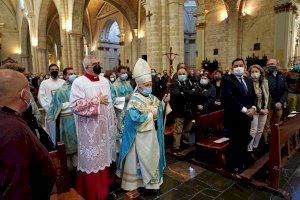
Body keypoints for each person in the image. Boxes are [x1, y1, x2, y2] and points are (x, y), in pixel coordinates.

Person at [0, 69, 56, 200]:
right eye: (29, 91)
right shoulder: (13, 129)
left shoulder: (9, 120)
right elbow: (16, 184)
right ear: (24, 94)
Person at [118, 58, 168, 195]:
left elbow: (159, 108)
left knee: (153, 157)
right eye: (146, 85)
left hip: (152, 136)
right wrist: (151, 116)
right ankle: (140, 184)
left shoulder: (151, 97)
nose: (149, 87)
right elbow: (134, 119)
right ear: (139, 86)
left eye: (150, 84)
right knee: (139, 162)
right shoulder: (134, 100)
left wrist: (164, 102)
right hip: (140, 138)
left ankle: (152, 184)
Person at [70, 56, 117, 200]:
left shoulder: (105, 81)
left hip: (105, 128)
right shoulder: (79, 82)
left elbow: (109, 103)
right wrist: (96, 101)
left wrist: (113, 120)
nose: (98, 66)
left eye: (99, 63)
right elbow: (75, 106)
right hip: (90, 129)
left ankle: (107, 187)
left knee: (107, 157)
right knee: (93, 161)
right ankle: (94, 193)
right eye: (94, 64)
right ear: (86, 67)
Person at [222, 58, 257, 173]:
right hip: (235, 116)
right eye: (235, 66)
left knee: (244, 140)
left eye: (240, 65)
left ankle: (242, 161)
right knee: (235, 142)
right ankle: (233, 165)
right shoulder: (228, 80)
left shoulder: (248, 80)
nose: (238, 67)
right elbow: (229, 98)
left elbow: (253, 96)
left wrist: (253, 108)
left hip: (247, 116)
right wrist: (244, 109)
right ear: (232, 68)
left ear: (244, 67)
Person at [48, 67, 78, 171]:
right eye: (70, 74)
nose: (73, 75)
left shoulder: (79, 87)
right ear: (65, 76)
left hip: (79, 120)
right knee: (69, 147)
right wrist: (73, 105)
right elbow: (57, 106)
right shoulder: (61, 90)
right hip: (67, 121)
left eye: (74, 73)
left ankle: (78, 169)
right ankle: (70, 170)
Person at [170, 66, 200, 151]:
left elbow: (197, 91)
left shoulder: (189, 82)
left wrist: (186, 92)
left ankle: (185, 143)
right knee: (178, 130)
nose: (182, 75)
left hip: (189, 111)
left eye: (183, 74)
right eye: (180, 74)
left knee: (187, 129)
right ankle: (176, 146)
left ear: (186, 75)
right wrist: (191, 92)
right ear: (177, 75)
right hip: (179, 110)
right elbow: (178, 96)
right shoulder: (175, 83)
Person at [263, 59, 288, 145]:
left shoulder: (281, 75)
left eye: (272, 64)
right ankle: (265, 144)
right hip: (269, 105)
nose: (270, 66)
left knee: (275, 124)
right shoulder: (265, 76)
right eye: (269, 64)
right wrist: (274, 103)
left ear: (277, 65)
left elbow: (285, 90)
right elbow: (267, 92)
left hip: (279, 105)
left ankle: (274, 140)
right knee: (266, 126)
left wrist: (280, 102)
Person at [38, 64, 65, 144]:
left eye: (56, 69)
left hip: (63, 110)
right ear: (49, 71)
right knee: (53, 131)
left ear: (58, 70)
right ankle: (55, 146)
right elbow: (41, 97)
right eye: (52, 70)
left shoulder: (63, 82)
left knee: (63, 130)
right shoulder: (44, 83)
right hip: (51, 111)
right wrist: (49, 109)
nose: (54, 71)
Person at [247, 65, 269, 158]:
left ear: (260, 72)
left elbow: (268, 95)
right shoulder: (248, 83)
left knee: (260, 130)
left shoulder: (264, 82)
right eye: (252, 72)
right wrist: (260, 110)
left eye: (256, 71)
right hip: (255, 110)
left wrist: (266, 108)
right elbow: (251, 99)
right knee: (253, 130)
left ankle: (255, 146)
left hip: (264, 109)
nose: (254, 73)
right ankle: (249, 149)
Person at [111, 66, 133, 152]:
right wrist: (124, 98)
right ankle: (119, 153)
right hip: (119, 112)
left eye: (126, 73)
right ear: (118, 73)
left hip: (128, 110)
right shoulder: (114, 86)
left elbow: (132, 94)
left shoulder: (128, 84)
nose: (125, 74)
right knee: (120, 135)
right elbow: (112, 100)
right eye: (123, 73)